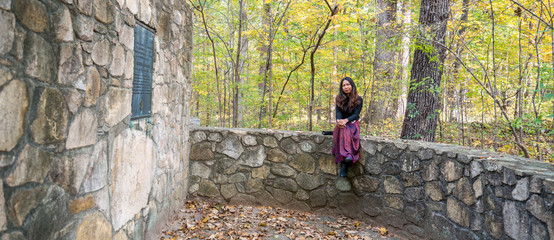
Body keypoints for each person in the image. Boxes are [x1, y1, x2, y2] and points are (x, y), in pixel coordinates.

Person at [332, 77, 363, 177]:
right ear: (341, 88)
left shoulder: (359, 99)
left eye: (348, 84)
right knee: (340, 128)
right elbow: (338, 112)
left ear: (352, 85)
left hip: (352, 123)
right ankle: (347, 156)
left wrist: (345, 121)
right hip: (342, 123)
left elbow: (356, 115)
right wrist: (338, 120)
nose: (346, 87)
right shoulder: (338, 99)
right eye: (344, 85)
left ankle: (345, 162)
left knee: (345, 129)